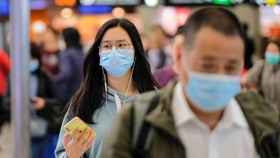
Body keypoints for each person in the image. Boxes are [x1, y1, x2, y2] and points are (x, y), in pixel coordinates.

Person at [101, 7, 279, 158]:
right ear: (179, 56)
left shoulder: (264, 123)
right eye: (207, 65)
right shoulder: (136, 122)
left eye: (231, 67)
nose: (220, 75)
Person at [55, 18, 159, 158]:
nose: (114, 51)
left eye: (122, 45)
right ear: (98, 53)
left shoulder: (156, 100)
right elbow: (62, 152)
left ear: (135, 50)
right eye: (107, 46)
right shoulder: (84, 102)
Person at [29, 43, 65, 158]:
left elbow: (59, 101)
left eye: (32, 58)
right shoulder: (15, 77)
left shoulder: (44, 77)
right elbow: (7, 99)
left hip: (42, 129)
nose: (29, 61)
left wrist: (44, 103)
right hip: (20, 129)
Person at [47, 27, 84, 103]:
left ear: (65, 39)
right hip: (81, 91)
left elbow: (66, 73)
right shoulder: (81, 53)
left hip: (68, 94)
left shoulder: (65, 54)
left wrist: (52, 79)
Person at [245, 40, 280, 111]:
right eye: (269, 51)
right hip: (265, 113)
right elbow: (247, 81)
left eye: (274, 51)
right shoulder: (261, 65)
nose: (271, 54)